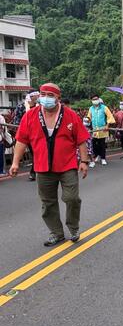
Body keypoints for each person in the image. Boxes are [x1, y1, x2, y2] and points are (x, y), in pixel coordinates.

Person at [10, 83, 90, 246]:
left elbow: (81, 139)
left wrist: (84, 161)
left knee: (72, 198)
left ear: (58, 98)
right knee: (48, 202)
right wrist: (15, 163)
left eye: (50, 95)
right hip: (42, 166)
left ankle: (73, 227)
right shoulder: (30, 116)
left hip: (67, 165)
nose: (45, 98)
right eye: (43, 94)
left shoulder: (70, 115)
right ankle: (56, 232)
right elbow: (21, 141)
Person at [13, 90, 39, 181]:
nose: (38, 97)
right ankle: (15, 165)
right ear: (31, 97)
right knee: (20, 152)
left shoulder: (40, 107)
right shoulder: (21, 107)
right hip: (24, 134)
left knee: (35, 153)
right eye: (36, 95)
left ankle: (34, 172)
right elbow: (16, 120)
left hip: (36, 134)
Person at [88, 95, 115, 165]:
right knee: (94, 144)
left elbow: (110, 117)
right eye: (93, 99)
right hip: (94, 129)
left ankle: (103, 158)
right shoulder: (91, 108)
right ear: (91, 101)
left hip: (102, 128)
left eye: (96, 99)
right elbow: (89, 117)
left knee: (102, 144)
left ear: (99, 99)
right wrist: (87, 121)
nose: (95, 100)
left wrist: (107, 125)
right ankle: (97, 155)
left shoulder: (104, 107)